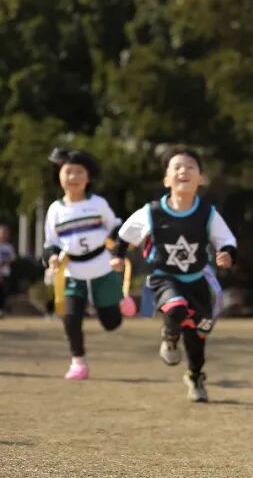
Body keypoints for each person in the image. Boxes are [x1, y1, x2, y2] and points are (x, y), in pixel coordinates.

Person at [116, 146, 236, 402]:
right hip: (163, 277)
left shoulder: (207, 213)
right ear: (166, 179)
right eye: (177, 167)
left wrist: (226, 254)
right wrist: (118, 256)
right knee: (176, 308)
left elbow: (226, 239)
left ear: (201, 178)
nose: (184, 171)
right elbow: (125, 235)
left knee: (198, 336)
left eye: (191, 166)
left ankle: (195, 376)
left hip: (197, 280)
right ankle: (170, 337)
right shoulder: (152, 212)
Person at [40, 149, 126, 379]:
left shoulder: (98, 203)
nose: (74, 177)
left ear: (88, 177)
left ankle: (114, 304)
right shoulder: (55, 210)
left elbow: (116, 227)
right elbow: (51, 242)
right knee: (70, 318)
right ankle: (78, 362)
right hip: (72, 271)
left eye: (79, 172)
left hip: (101, 266)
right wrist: (52, 257)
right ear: (59, 175)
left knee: (111, 322)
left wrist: (119, 251)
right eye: (68, 172)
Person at [0, 224, 14, 317]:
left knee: (4, 292)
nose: (4, 234)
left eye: (5, 233)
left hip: (5, 273)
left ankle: (2, 309)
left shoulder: (9, 247)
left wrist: (4, 265)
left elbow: (12, 258)